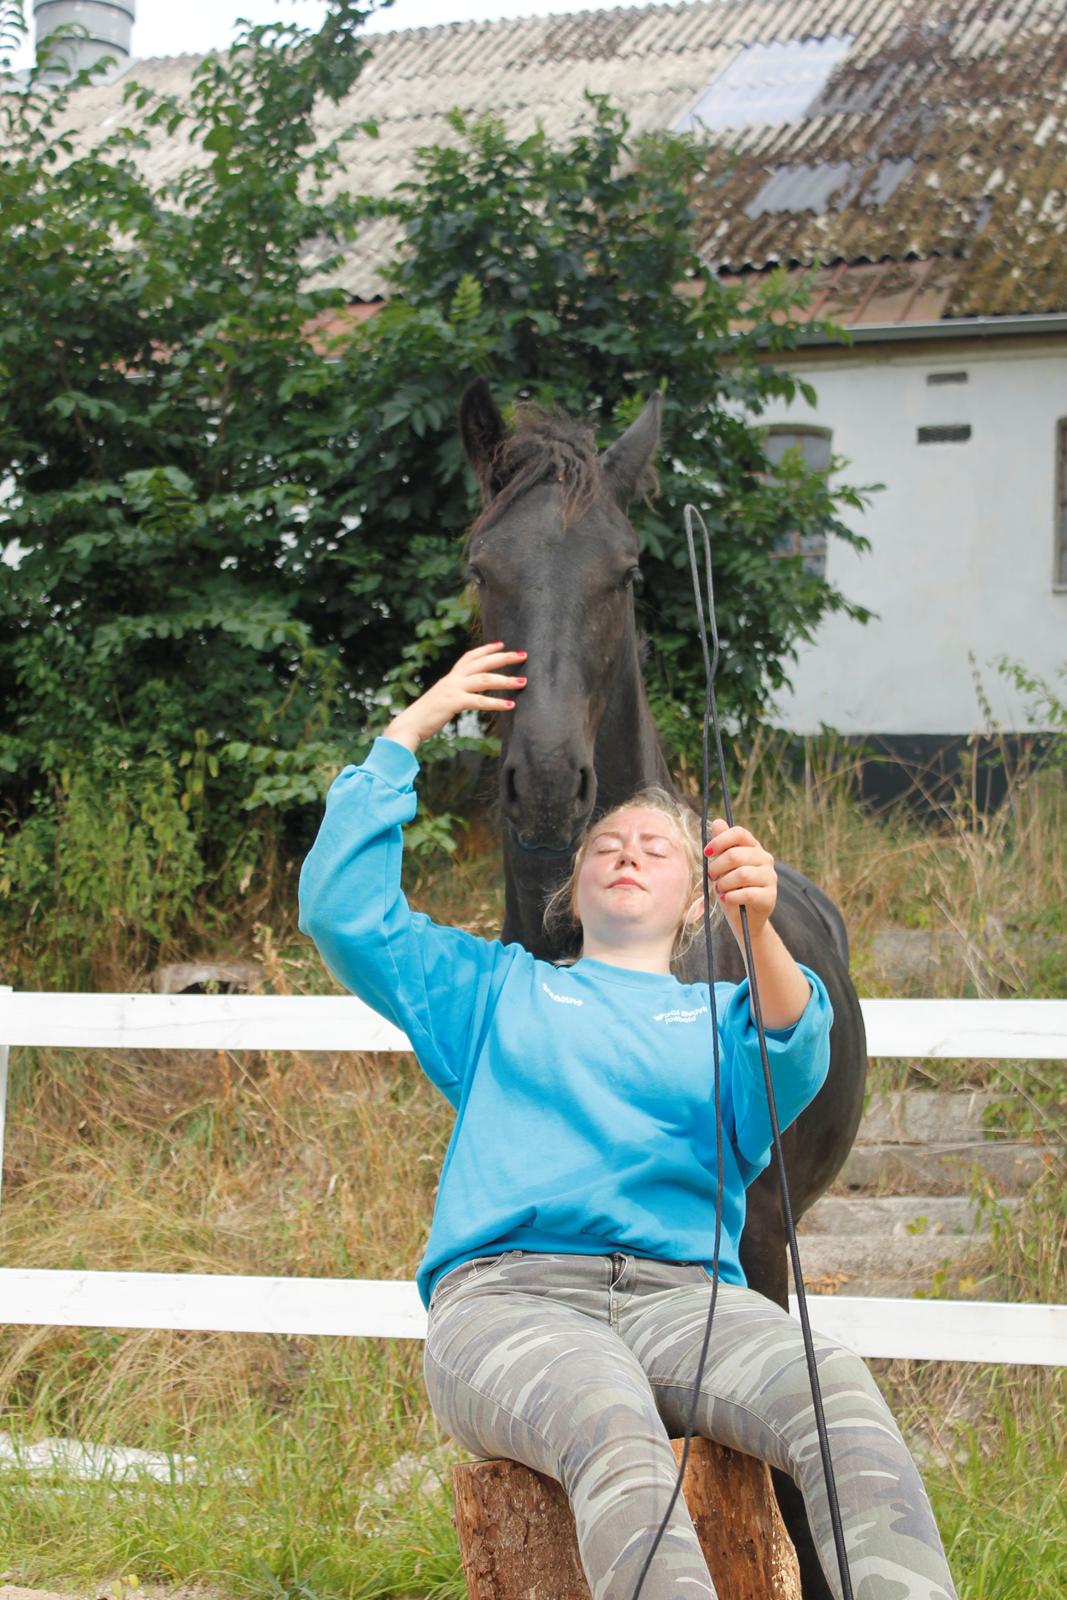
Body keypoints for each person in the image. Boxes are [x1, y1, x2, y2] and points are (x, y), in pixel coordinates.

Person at [298, 642, 959, 1600]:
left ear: (695, 899)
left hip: (688, 1305)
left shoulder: (727, 1019)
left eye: (657, 850)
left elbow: (797, 1047)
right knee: (611, 1417)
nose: (627, 855)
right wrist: (411, 728)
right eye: (606, 846)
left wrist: (761, 924)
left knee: (836, 1393)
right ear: (574, 886)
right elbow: (342, 913)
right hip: (509, 1303)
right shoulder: (492, 992)